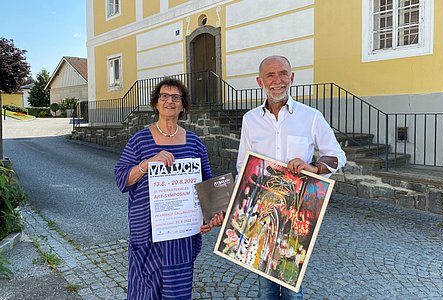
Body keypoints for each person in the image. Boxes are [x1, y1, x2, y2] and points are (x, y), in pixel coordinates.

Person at [236, 55, 347, 299]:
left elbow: (338, 156)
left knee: (291, 285)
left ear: (292, 77)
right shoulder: (250, 120)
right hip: (262, 214)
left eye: (283, 73)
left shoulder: (311, 117)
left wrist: (315, 168)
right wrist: (240, 211)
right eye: (270, 75)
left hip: (297, 213)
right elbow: (242, 167)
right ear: (260, 81)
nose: (277, 80)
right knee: (264, 286)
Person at [114, 77, 223, 300]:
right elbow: (122, 179)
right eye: (164, 96)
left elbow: (208, 189)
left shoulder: (194, 142)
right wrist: (146, 164)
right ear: (156, 103)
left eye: (176, 97)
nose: (169, 101)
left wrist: (208, 218)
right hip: (147, 234)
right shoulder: (140, 140)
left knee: (178, 292)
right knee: (144, 292)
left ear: (183, 105)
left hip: (181, 236)